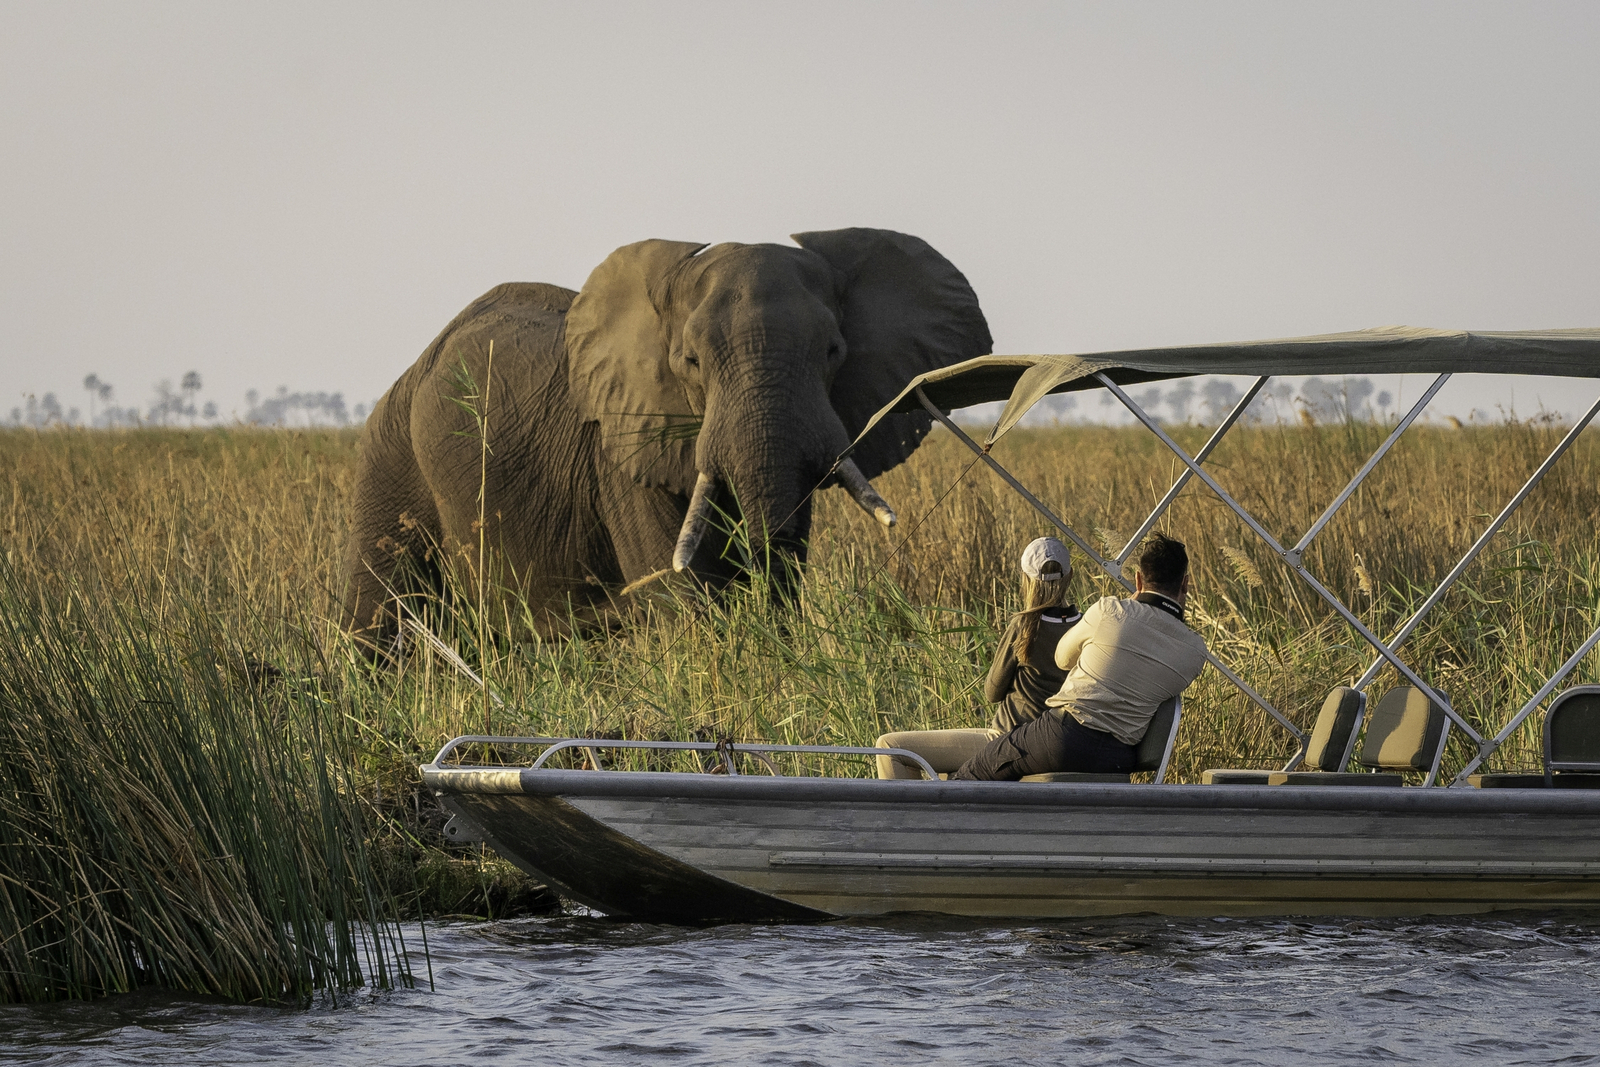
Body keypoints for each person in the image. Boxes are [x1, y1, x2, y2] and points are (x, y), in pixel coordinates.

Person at [952, 533, 1207, 781]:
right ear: (1185, 583)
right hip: (1118, 758)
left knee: (976, 769)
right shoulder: (1196, 651)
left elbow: (1063, 658)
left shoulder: (1110, 611)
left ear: (1138, 580)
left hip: (1064, 737)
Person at [876, 537, 1082, 779]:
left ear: (1026, 580)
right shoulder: (1085, 626)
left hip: (1008, 739)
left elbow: (992, 692)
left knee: (890, 747)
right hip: (1056, 740)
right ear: (1069, 577)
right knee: (946, 772)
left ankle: (910, 818)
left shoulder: (1025, 626)